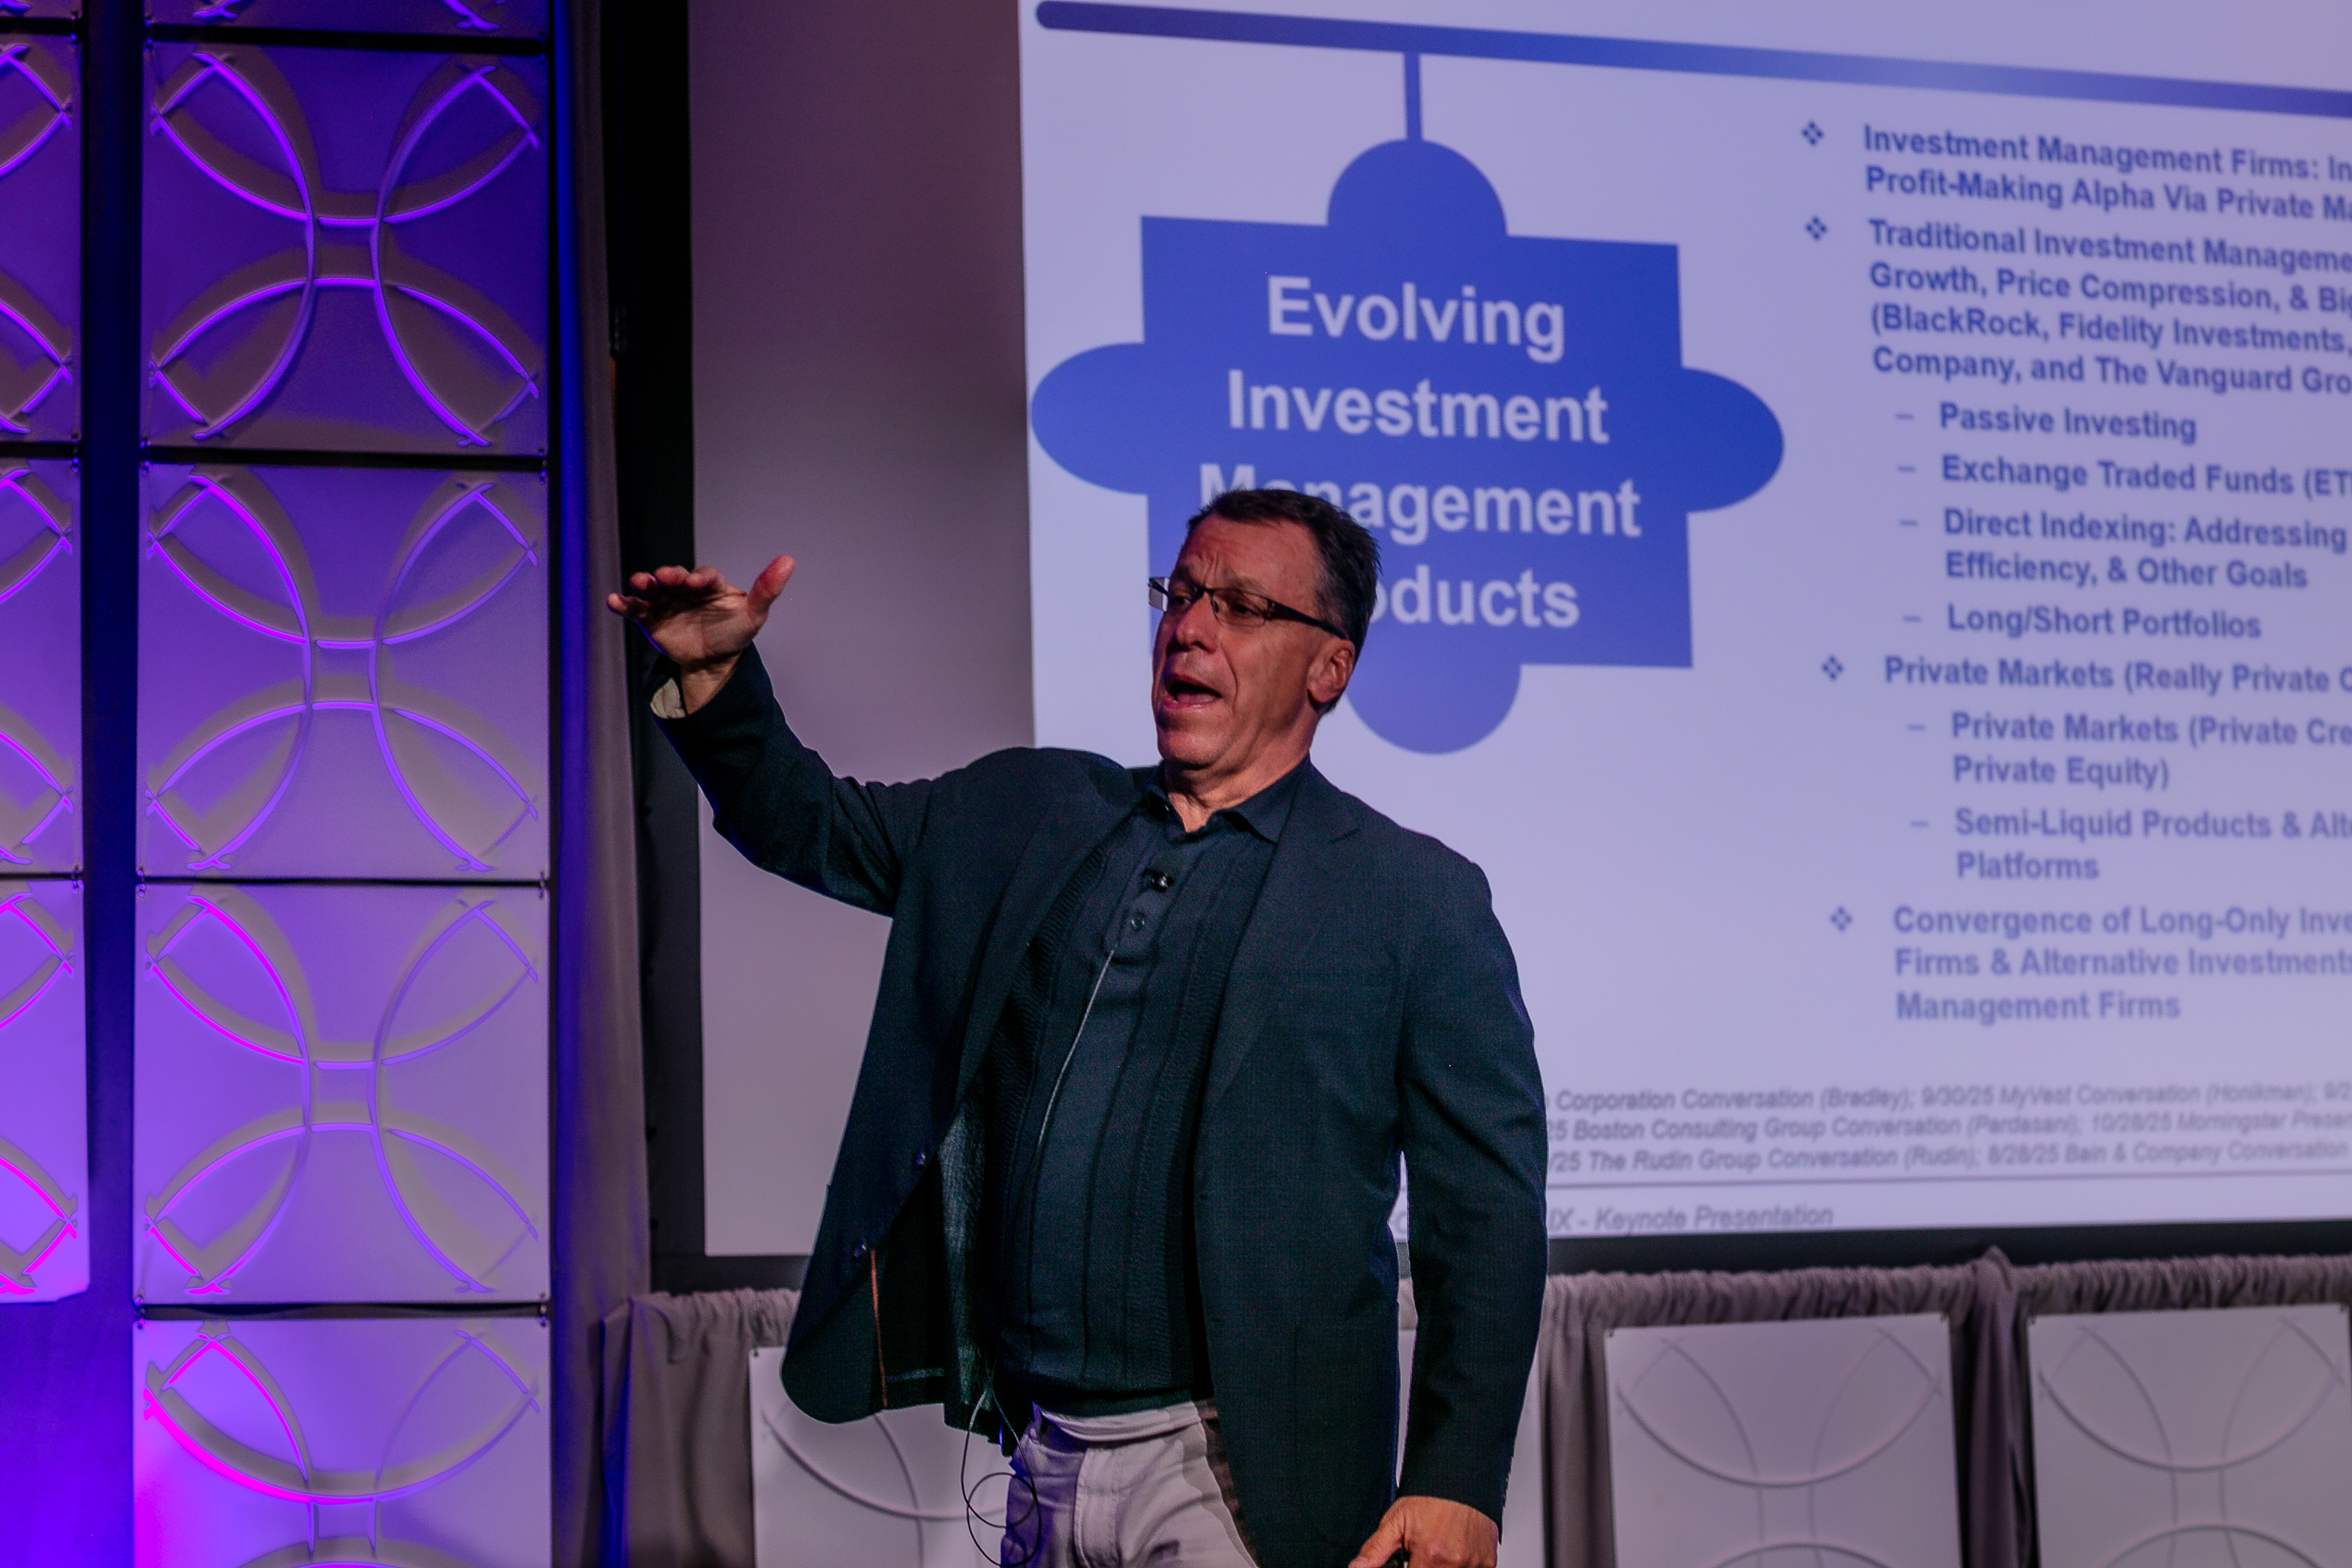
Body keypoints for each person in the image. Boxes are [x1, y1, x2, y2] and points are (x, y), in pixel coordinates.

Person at [609, 489, 1546, 1568]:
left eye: (1241, 608)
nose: (1189, 628)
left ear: (1329, 668)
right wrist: (716, 678)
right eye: (1180, 595)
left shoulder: (1412, 899)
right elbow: (810, 823)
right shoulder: (1032, 812)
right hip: (1041, 1451)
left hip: (1246, 1475)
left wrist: (1455, 1477)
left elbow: (1487, 1214)